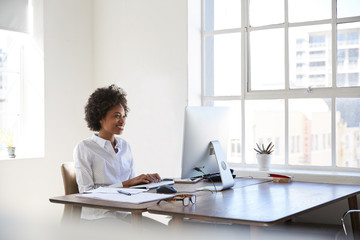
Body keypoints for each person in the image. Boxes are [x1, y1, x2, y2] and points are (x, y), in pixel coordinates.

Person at [73, 84, 161, 222]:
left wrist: (147, 182)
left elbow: (132, 186)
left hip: (125, 213)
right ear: (100, 117)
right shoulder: (85, 148)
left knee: (165, 233)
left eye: (124, 116)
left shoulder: (125, 146)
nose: (123, 121)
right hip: (98, 217)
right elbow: (86, 193)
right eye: (117, 116)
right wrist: (126, 183)